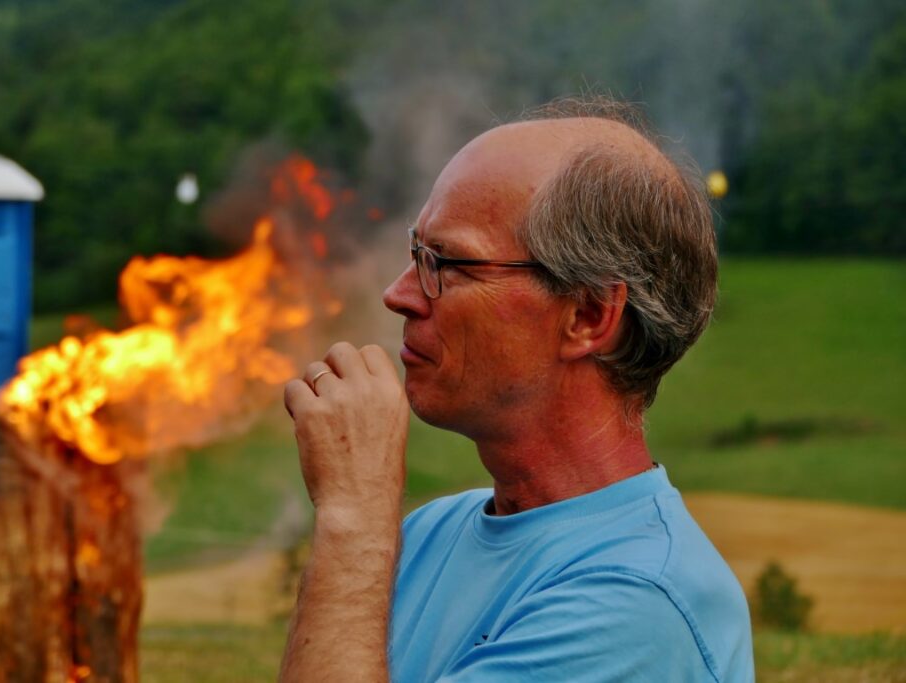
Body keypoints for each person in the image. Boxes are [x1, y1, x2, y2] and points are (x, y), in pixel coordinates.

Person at [279, 98, 754, 682]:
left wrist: (353, 516)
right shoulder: (428, 534)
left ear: (588, 316)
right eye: (415, 253)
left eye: (448, 262)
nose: (399, 294)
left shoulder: (639, 600)